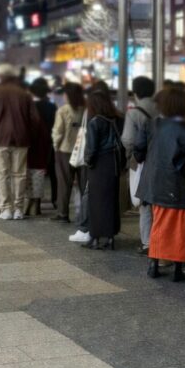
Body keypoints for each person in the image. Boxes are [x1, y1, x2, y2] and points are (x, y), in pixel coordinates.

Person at [139, 85, 185, 281]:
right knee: (181, 226)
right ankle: (178, 269)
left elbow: (139, 148)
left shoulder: (152, 124)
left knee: (159, 224)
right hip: (178, 184)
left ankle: (153, 264)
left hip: (155, 183)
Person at [0, 66, 42, 221]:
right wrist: (29, 136)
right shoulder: (24, 95)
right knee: (19, 174)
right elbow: (35, 120)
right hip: (21, 140)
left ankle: (6, 208)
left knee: (1, 175)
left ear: (0, 76)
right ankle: (18, 208)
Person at [82, 88, 124, 248]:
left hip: (99, 165)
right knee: (111, 201)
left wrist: (88, 161)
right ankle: (110, 237)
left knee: (96, 201)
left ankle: (95, 237)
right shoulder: (117, 119)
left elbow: (92, 148)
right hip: (113, 164)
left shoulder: (95, 122)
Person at [122, 76, 158, 253]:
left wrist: (130, 156)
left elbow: (128, 140)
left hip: (141, 161)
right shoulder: (161, 109)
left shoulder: (133, 113)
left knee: (144, 203)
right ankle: (160, 240)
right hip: (161, 160)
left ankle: (148, 242)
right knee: (159, 203)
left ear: (135, 92)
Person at [52, 82, 86, 223]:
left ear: (68, 95)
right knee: (84, 184)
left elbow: (58, 132)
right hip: (83, 151)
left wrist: (55, 146)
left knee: (64, 183)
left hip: (65, 151)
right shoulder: (86, 109)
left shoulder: (63, 110)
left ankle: (63, 213)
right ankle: (86, 214)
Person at [30, 77, 58, 215]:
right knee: (53, 172)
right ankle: (55, 199)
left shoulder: (30, 106)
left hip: (33, 143)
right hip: (50, 143)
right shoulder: (51, 106)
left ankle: (34, 203)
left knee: (33, 172)